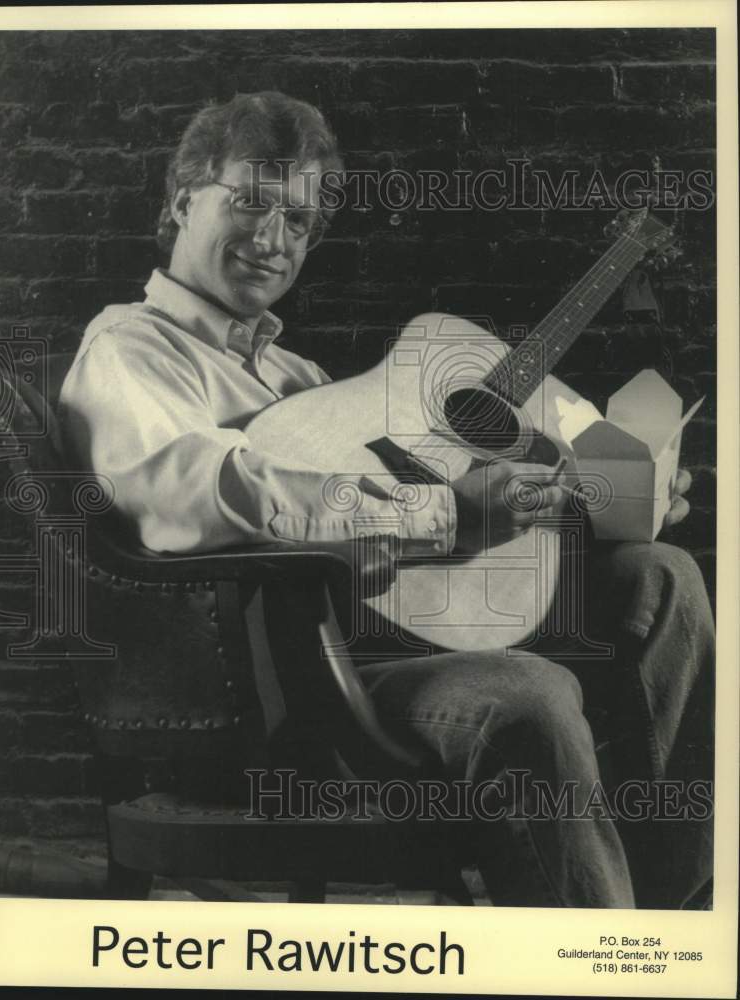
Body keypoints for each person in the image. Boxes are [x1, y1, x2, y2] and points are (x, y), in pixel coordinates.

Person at [58, 91, 714, 909]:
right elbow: (195, 491)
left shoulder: (294, 376)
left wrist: (602, 499)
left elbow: (392, 536)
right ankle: (588, 949)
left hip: (382, 635)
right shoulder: (131, 349)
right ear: (184, 200)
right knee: (527, 694)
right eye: (251, 202)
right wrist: (442, 515)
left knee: (659, 578)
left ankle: (670, 919)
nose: (273, 239)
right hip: (285, 693)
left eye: (299, 221)